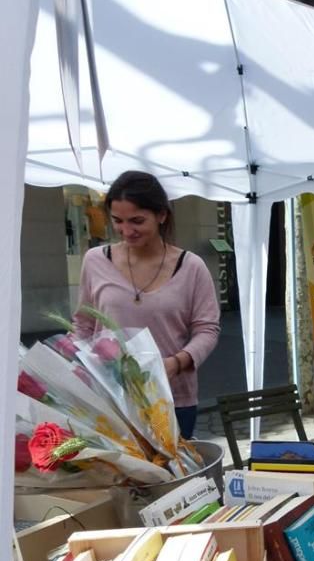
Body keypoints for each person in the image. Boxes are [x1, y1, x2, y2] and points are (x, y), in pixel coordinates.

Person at [73, 171, 220, 439]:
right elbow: (83, 324)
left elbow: (207, 329)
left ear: (161, 215)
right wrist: (76, 368)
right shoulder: (95, 260)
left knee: (172, 479)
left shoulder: (191, 266)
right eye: (118, 221)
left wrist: (176, 363)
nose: (127, 230)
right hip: (111, 397)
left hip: (172, 398)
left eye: (137, 221)